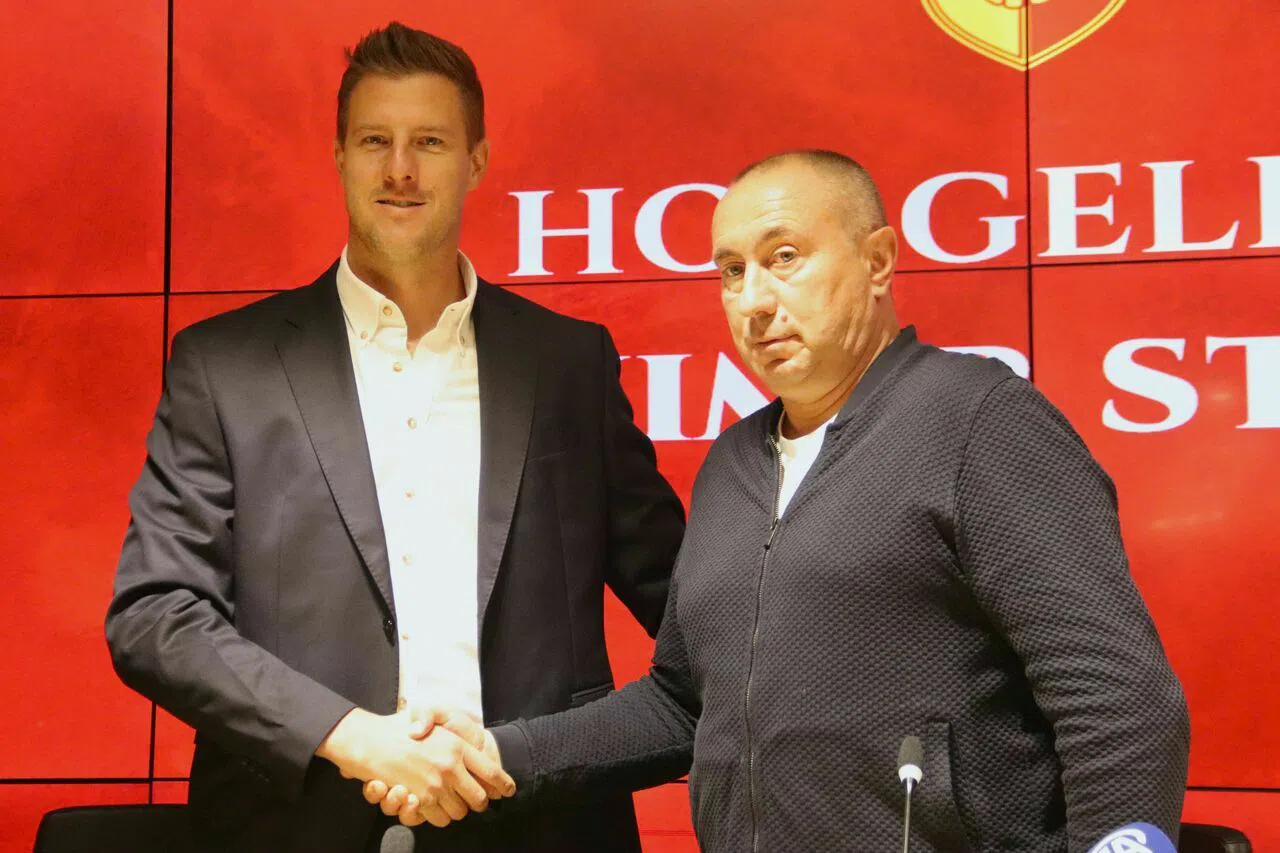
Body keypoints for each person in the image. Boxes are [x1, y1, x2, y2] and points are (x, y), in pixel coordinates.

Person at [375, 149, 1191, 851]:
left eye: (785, 257)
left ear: (878, 261)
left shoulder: (977, 420)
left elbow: (1118, 698)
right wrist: (494, 753)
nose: (755, 299)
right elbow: (681, 701)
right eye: (732, 271)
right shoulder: (733, 464)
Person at [105, 21, 684, 853]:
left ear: (476, 161)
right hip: (293, 829)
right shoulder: (224, 366)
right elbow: (155, 613)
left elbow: (689, 605)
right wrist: (346, 734)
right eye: (375, 140)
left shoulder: (568, 363)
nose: (400, 169)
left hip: (545, 827)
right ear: (340, 156)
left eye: (430, 142)